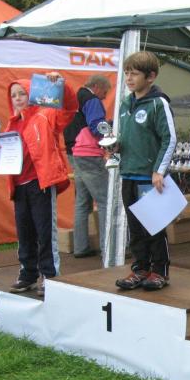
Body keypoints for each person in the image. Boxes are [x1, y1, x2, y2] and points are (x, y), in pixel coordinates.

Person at [6, 73, 77, 296]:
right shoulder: (11, 124)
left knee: (45, 232)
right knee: (24, 232)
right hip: (19, 185)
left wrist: (61, 85)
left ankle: (50, 275)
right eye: (13, 95)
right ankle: (28, 274)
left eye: (22, 93)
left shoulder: (46, 115)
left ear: (32, 94)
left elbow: (70, 108)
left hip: (41, 183)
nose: (18, 98)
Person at [113, 51, 176, 291]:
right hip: (128, 173)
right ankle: (140, 269)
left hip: (149, 178)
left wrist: (158, 171)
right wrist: (116, 147)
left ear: (150, 77)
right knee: (135, 227)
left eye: (134, 74)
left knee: (154, 227)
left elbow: (169, 139)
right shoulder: (125, 103)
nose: (129, 78)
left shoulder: (158, 103)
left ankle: (160, 271)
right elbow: (128, 137)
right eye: (126, 73)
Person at [63, 74, 112, 259]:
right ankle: (109, 248)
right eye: (105, 92)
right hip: (88, 153)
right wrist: (111, 130)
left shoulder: (73, 99)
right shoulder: (91, 100)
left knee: (82, 202)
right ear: (97, 86)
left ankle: (80, 246)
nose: (105, 97)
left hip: (72, 152)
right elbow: (96, 126)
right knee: (105, 201)